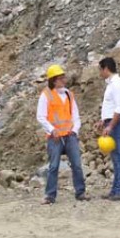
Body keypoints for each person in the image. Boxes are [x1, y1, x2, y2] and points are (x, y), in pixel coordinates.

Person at [36, 64, 89, 204]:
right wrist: (51, 129)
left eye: (63, 77)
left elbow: (75, 116)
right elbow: (41, 116)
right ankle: (49, 195)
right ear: (53, 80)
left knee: (77, 164)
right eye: (60, 78)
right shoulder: (46, 95)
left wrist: (74, 130)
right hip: (55, 137)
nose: (63, 80)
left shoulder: (69, 95)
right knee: (53, 166)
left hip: (70, 135)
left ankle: (80, 192)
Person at [95, 57, 120, 200]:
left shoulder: (116, 84)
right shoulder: (111, 84)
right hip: (113, 121)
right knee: (115, 158)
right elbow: (111, 106)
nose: (100, 73)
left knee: (119, 157)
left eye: (100, 69)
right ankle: (115, 190)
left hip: (117, 123)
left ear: (106, 69)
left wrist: (110, 126)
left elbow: (119, 108)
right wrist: (103, 121)